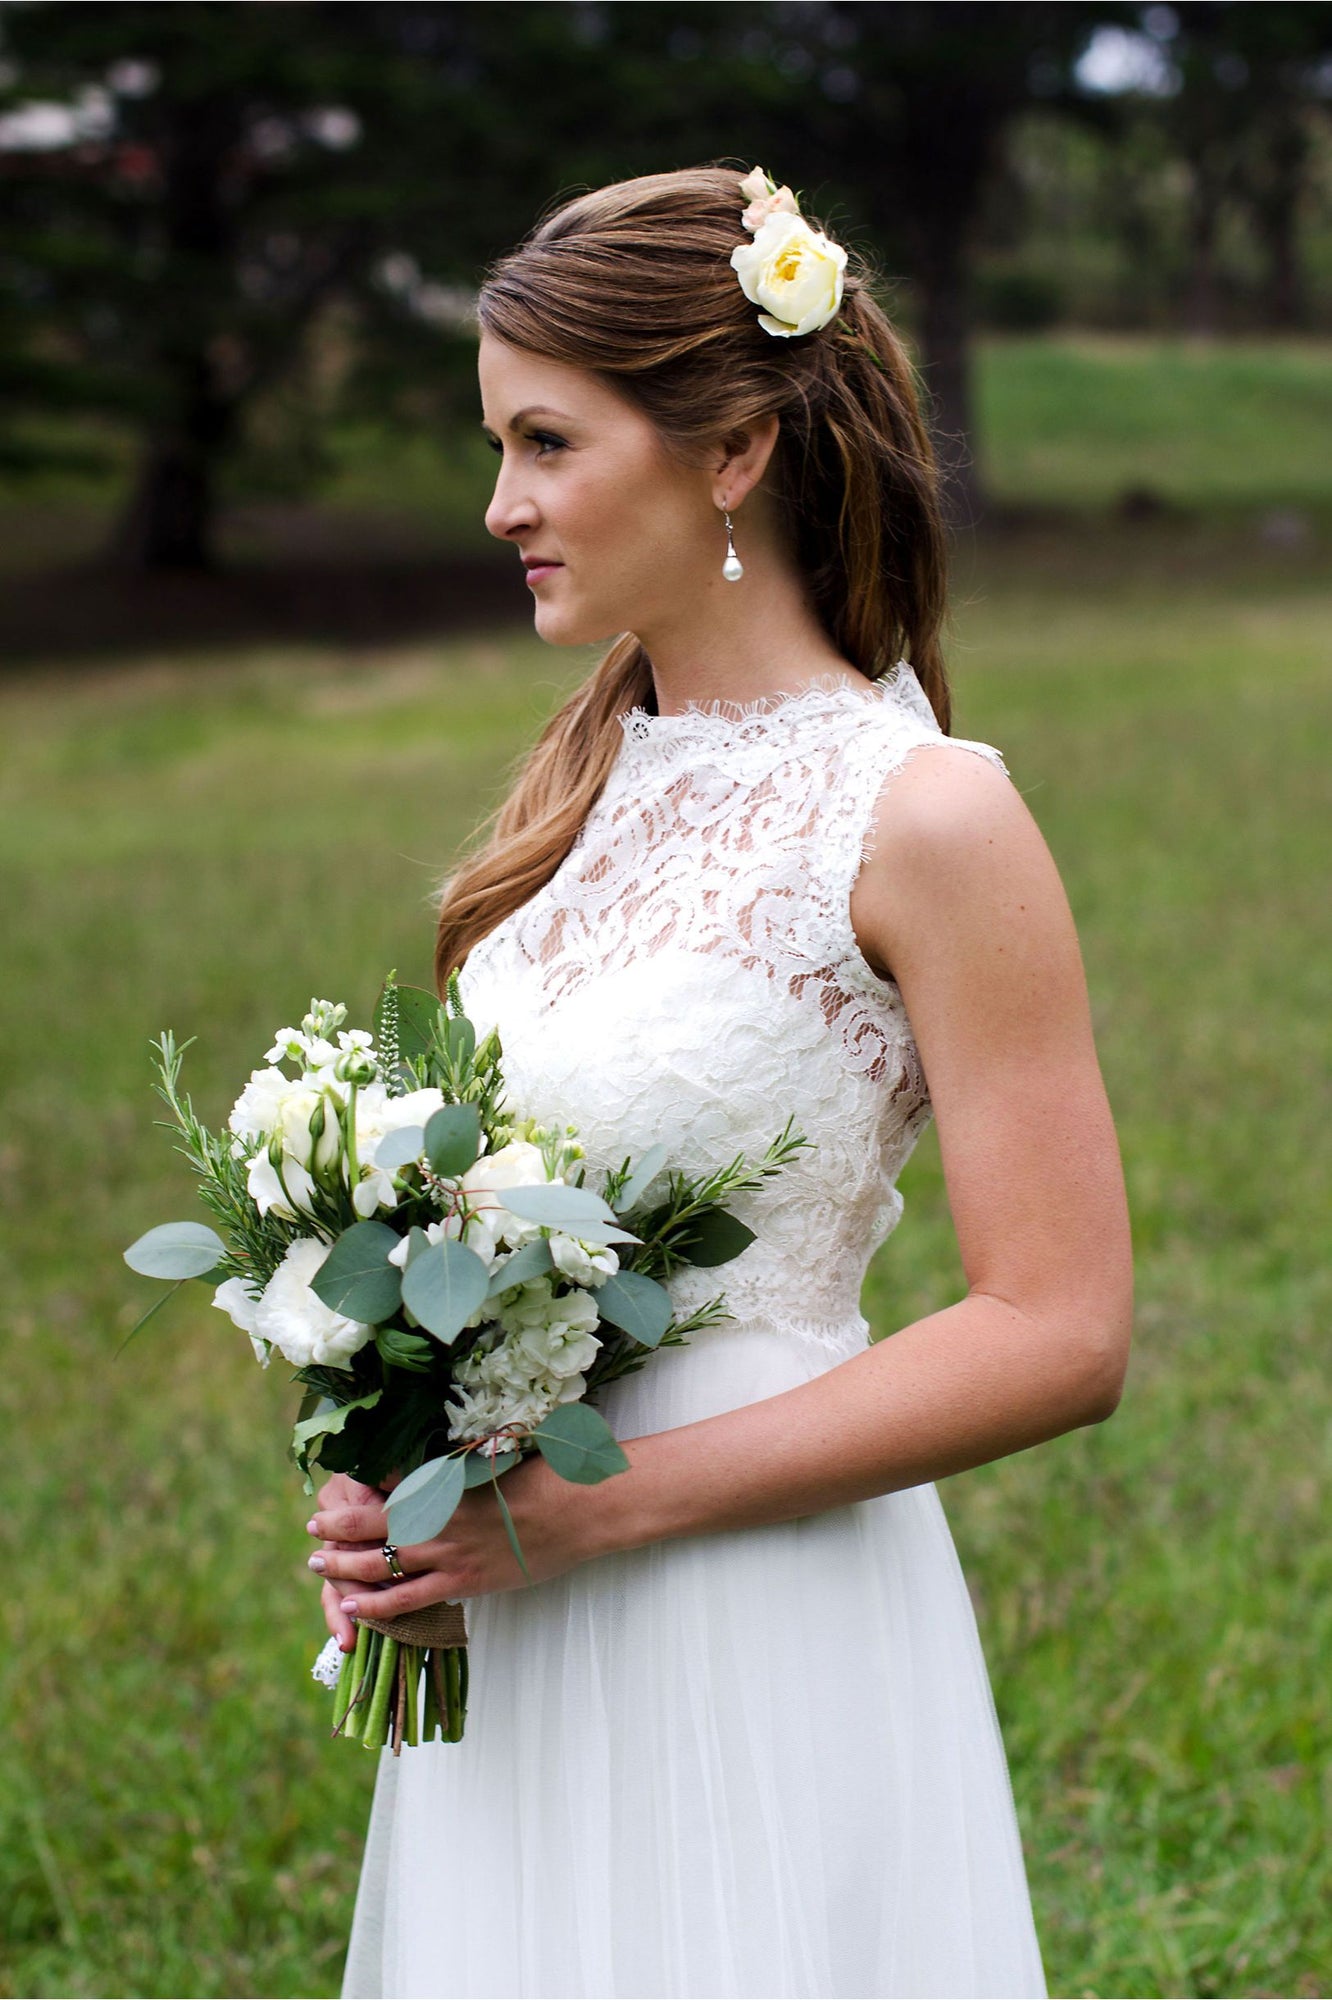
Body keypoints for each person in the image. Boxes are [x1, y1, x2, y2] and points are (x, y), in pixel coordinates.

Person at [306, 164, 1132, 2000]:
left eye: (546, 442)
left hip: (750, 1595)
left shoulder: (925, 815)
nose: (501, 503)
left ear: (735, 450)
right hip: (523, 1614)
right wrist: (396, 1458)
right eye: (499, 445)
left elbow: (1061, 1327)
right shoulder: (586, 789)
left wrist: (600, 1507)